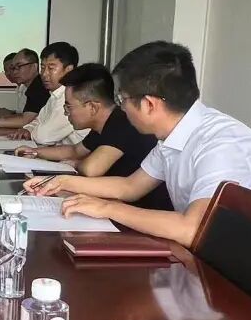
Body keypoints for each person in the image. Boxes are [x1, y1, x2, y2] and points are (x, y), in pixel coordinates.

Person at [24, 41, 251, 247]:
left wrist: (106, 208)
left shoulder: (221, 142)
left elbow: (191, 228)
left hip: (245, 274)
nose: (121, 108)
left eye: (122, 99)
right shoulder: (172, 137)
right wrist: (62, 182)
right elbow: (130, 187)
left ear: (149, 104)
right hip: (208, 256)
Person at [15, 63, 173, 210]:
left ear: (92, 107)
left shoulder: (122, 122)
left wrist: (75, 165)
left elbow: (91, 169)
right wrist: (34, 152)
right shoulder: (103, 124)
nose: (65, 112)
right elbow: (75, 151)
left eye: (68, 106)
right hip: (118, 201)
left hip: (141, 209)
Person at [24, 42, 81, 145]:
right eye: (42, 68)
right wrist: (27, 129)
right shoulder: (55, 94)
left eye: (51, 68)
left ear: (69, 70)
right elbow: (38, 120)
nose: (44, 74)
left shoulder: (72, 96)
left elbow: (43, 137)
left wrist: (30, 132)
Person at [0, 47, 49, 128]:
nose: (14, 72)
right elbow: (24, 116)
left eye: (19, 66)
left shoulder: (39, 87)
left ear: (34, 66)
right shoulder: (32, 86)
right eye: (13, 68)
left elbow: (25, 121)